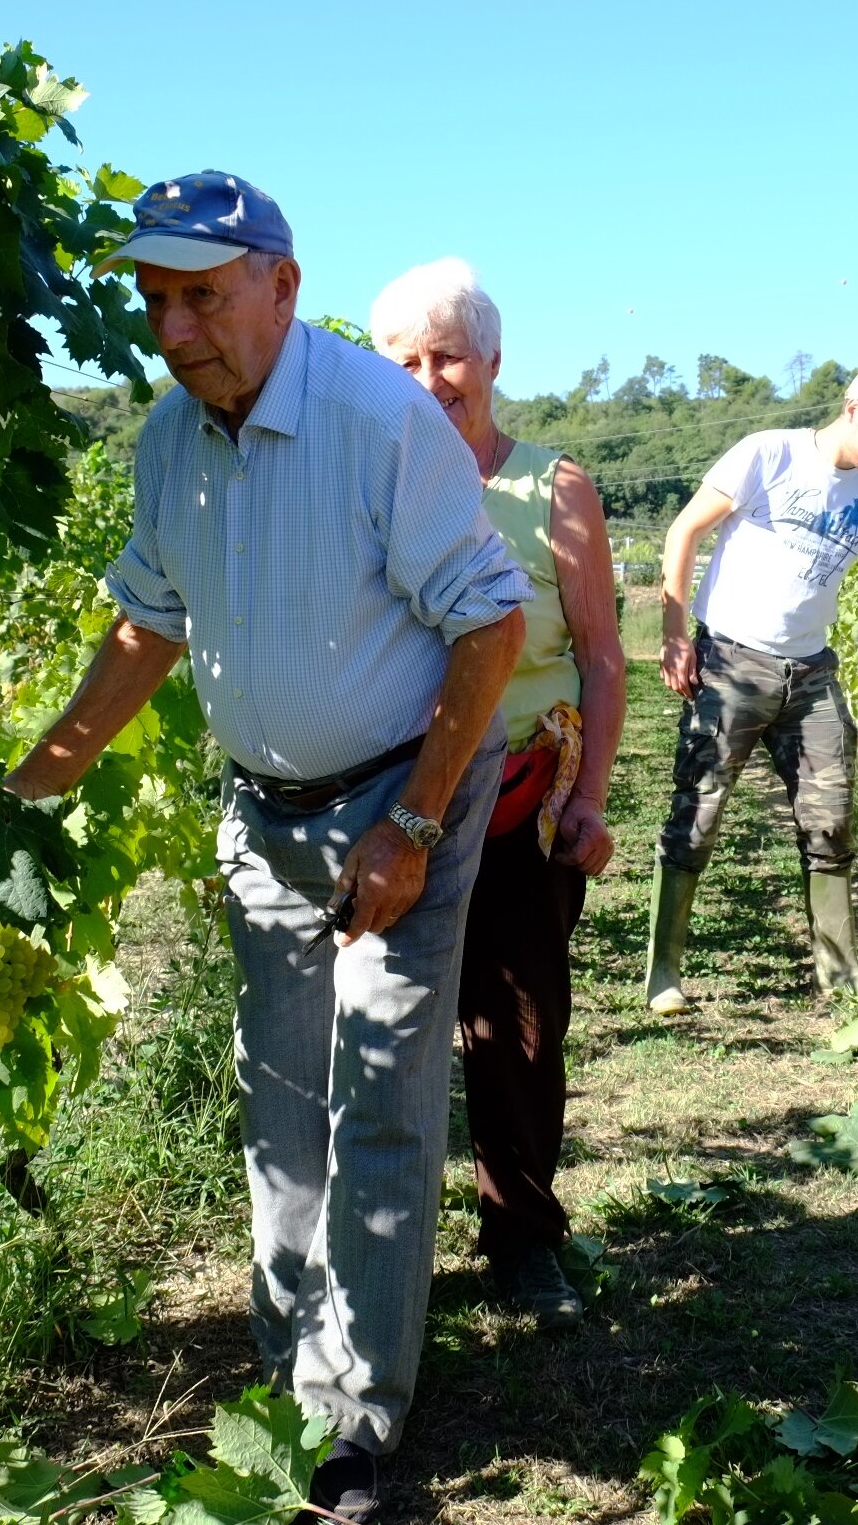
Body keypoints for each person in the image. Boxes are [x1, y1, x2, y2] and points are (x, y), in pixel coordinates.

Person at [3, 172, 529, 1524]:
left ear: (282, 288)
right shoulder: (173, 441)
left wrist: (412, 826)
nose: (175, 328)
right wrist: (34, 779)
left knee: (381, 1101)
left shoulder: (379, 422)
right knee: (281, 1091)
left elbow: (490, 627)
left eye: (203, 295)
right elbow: (148, 624)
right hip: (267, 811)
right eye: (156, 299)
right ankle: (293, 1351)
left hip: (399, 802)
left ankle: (353, 1416)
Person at [369, 258, 625, 1333]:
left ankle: (522, 1237)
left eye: (451, 356)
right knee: (393, 1028)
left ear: (494, 362)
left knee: (518, 1025)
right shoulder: (363, 486)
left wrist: (591, 799)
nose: (432, 378)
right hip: (397, 804)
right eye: (408, 360)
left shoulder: (551, 489)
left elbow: (606, 658)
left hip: (523, 797)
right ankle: (385, 1255)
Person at [642, 365, 858, 1015]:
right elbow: (685, 531)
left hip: (812, 674)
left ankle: (841, 969)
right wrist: (675, 631)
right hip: (732, 662)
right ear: (854, 408)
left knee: (831, 817)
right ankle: (663, 972)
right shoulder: (770, 454)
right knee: (700, 811)